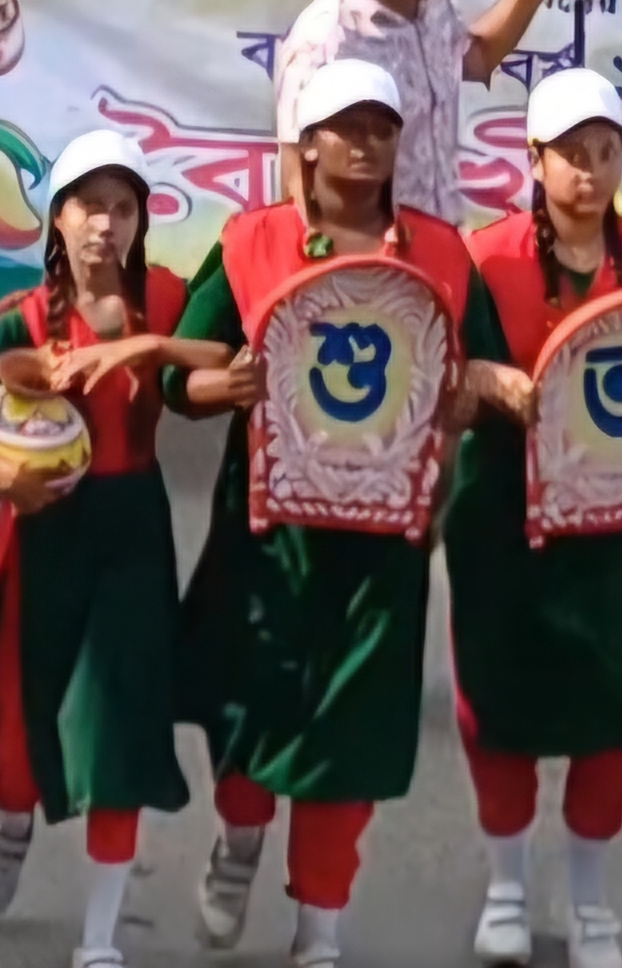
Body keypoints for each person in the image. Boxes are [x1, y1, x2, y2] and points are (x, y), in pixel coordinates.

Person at [160, 57, 467, 963]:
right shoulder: (251, 241)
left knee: (350, 736)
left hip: (383, 547)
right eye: (348, 127)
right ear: (308, 142)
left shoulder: (442, 254)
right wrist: (227, 384)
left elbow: (476, 373)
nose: (366, 143)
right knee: (252, 715)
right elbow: (185, 380)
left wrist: (477, 391)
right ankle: (239, 842)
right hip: (269, 536)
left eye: (382, 127)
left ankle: (319, 931)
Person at [0, 129, 206, 968]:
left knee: (123, 730)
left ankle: (100, 940)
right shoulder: (20, 324)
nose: (106, 226)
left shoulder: (172, 301)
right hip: (40, 540)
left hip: (134, 531)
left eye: (123, 208)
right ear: (57, 223)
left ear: (143, 221)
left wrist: (153, 347)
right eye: (88, 208)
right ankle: (8, 818)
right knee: (22, 738)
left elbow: (225, 358)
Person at [433, 69, 622, 968]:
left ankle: (589, 898)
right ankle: (506, 887)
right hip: (501, 510)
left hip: (612, 522)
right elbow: (437, 378)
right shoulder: (483, 256)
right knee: (495, 704)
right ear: (534, 160)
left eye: (604, 152)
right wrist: (481, 380)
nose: (588, 170)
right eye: (569, 154)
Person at [262, 0, 581, 227]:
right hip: (375, 268)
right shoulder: (320, 49)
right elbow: (299, 198)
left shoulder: (430, 2)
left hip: (442, 250)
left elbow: (477, 59)